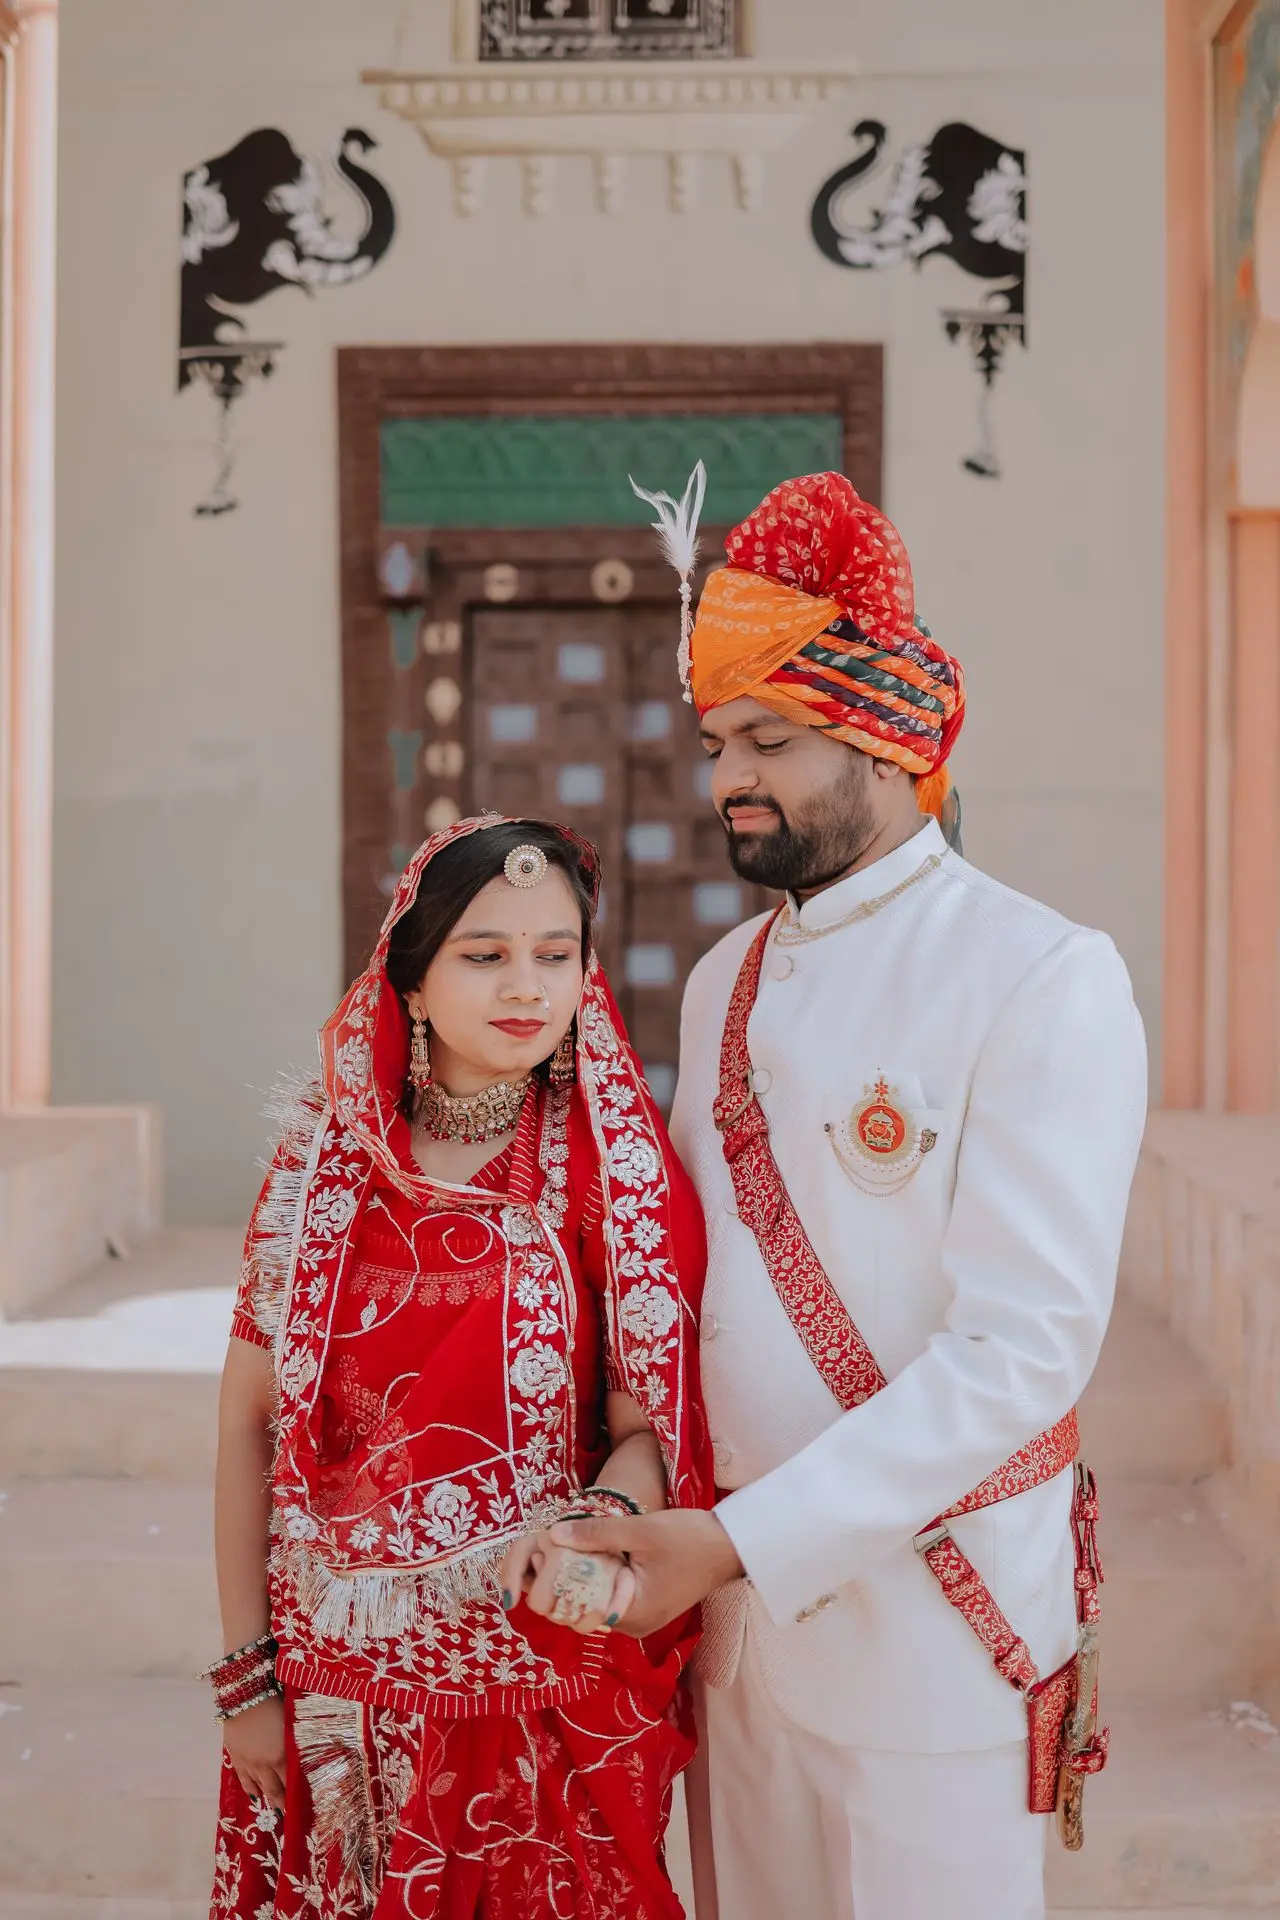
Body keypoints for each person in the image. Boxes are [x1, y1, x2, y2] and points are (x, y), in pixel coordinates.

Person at [551, 473, 1149, 1920]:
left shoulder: (1040, 973)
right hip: (732, 1638)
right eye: (716, 742)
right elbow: (685, 1288)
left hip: (935, 1626)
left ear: (888, 742)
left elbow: (1021, 1353)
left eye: (771, 740)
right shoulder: (723, 980)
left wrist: (738, 1543)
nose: (728, 778)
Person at [208, 814, 712, 1920]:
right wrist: (247, 1678)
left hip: (535, 1683)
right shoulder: (322, 1163)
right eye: (485, 954)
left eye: (555, 953)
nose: (526, 985)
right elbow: (249, 1421)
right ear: (414, 983)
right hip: (335, 1688)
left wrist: (592, 1535)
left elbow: (650, 1426)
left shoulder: (611, 1171)